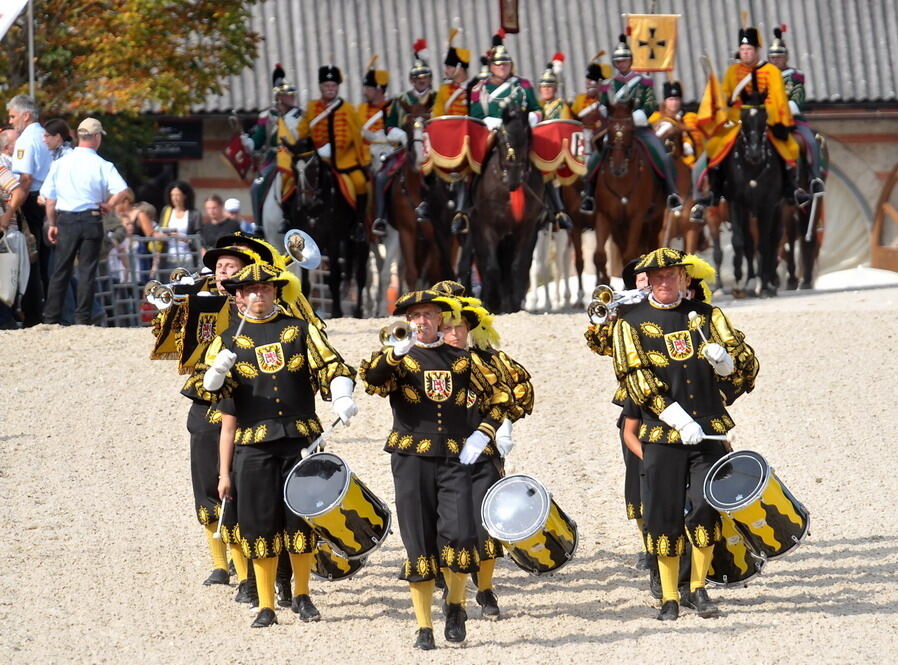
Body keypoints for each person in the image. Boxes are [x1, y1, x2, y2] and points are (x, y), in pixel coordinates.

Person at [201, 261, 358, 628]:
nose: (259, 295)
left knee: (300, 521)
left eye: (266, 289)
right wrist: (216, 372)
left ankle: (302, 595)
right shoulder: (226, 341)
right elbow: (210, 394)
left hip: (300, 438)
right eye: (251, 290)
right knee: (258, 524)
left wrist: (340, 395)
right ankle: (266, 603)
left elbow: (332, 365)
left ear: (275, 291)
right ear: (239, 296)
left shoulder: (299, 329)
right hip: (253, 446)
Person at [611, 247, 759, 621]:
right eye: (656, 277)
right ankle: (669, 597)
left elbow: (743, 365)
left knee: (706, 510)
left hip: (708, 431)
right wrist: (677, 418)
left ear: (683, 278)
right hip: (663, 434)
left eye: (670, 275)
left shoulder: (709, 316)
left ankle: (698, 588)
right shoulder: (630, 322)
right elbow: (636, 379)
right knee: (663, 513)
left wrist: (725, 364)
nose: (663, 282)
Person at [358, 288, 511, 649]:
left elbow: (502, 395)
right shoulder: (397, 357)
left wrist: (484, 433)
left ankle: (456, 603)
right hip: (411, 458)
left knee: (461, 533)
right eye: (415, 316)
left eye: (428, 315)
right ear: (407, 322)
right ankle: (424, 626)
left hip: (457, 457)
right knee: (419, 540)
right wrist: (394, 355)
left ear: (440, 320)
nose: (422, 321)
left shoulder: (462, 359)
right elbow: (373, 383)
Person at [433, 280, 533, 620]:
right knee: (444, 525)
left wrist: (505, 423)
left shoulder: (489, 360)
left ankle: (486, 588)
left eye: (461, 325)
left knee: (486, 520)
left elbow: (519, 390)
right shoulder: (423, 361)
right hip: (438, 453)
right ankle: (451, 586)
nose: (455, 332)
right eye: (448, 326)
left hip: (482, 450)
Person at [581, 35, 683, 215]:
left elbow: (651, 105)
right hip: (615, 129)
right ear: (614, 64)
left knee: (662, 155)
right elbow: (604, 106)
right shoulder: (608, 85)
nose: (622, 64)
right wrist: (608, 115)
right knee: (595, 157)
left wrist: (637, 116)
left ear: (630, 61)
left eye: (625, 60)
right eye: (618, 61)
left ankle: (671, 193)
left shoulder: (644, 82)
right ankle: (589, 195)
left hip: (640, 129)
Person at [40, 118, 128, 325]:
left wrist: (52, 224)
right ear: (97, 137)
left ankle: (51, 318)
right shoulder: (102, 164)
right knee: (87, 270)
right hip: (91, 219)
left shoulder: (61, 163)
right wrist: (109, 204)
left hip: (66, 220)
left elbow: (49, 199)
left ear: (79, 136)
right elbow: (121, 189)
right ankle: (83, 318)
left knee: (61, 270)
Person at [297, 64, 369, 241]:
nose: (330, 89)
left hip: (345, 160)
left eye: (333, 86)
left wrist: (338, 149)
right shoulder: (312, 107)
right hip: (317, 159)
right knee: (297, 180)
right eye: (327, 86)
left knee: (360, 183)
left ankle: (359, 223)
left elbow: (356, 135)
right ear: (320, 87)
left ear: (337, 88)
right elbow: (303, 131)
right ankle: (293, 219)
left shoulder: (348, 109)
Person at [372, 41, 435, 236]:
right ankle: (381, 218)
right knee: (382, 177)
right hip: (405, 149)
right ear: (411, 80)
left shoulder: (437, 99)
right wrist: (399, 135)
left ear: (430, 79)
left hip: (431, 149)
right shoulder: (401, 101)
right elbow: (389, 124)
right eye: (417, 78)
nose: (421, 81)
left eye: (424, 77)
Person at [6, 94, 52, 326]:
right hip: (51, 200)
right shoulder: (47, 137)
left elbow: (24, 180)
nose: (11, 121)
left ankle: (37, 315)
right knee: (50, 260)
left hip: (33, 201)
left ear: (26, 115)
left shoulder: (25, 141)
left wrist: (10, 211)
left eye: (13, 116)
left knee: (34, 259)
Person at [768, 25, 825, 195]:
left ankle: (815, 178)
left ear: (786, 57)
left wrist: (785, 110)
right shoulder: (764, 75)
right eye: (772, 57)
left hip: (793, 120)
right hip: (769, 121)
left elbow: (797, 98)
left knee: (811, 142)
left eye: (779, 57)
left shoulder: (795, 75)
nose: (775, 60)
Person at [469, 30, 541, 130]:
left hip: (520, 133)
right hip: (491, 136)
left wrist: (528, 119)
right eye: (497, 64)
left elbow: (537, 111)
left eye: (505, 63)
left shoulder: (524, 85)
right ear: (490, 66)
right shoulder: (479, 90)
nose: (502, 67)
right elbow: (475, 120)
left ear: (511, 65)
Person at [534, 58, 574, 230]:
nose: (546, 90)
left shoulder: (561, 106)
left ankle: (559, 211)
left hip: (554, 150)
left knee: (551, 178)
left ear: (555, 89)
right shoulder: (535, 106)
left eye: (549, 86)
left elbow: (565, 128)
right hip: (536, 149)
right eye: (543, 87)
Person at [153, 180, 201, 271]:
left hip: (187, 257)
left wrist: (185, 238)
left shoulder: (194, 214)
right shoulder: (167, 211)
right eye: (172, 195)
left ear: (185, 196)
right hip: (168, 256)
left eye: (177, 195)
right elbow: (160, 228)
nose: (174, 198)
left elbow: (199, 236)